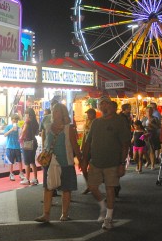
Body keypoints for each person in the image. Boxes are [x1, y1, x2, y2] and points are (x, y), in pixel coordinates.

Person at [86, 96, 131, 230]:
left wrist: (122, 164)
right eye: (101, 104)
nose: (103, 106)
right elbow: (88, 142)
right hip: (96, 161)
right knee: (92, 186)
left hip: (113, 162)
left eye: (105, 104)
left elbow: (125, 144)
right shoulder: (96, 122)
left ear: (111, 106)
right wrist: (84, 159)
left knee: (110, 188)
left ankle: (108, 217)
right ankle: (103, 205)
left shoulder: (119, 121)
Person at [34, 103, 81, 223]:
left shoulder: (68, 128)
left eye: (57, 111)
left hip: (66, 161)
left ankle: (64, 214)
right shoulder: (48, 126)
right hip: (50, 162)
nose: (54, 113)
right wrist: (44, 153)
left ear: (63, 113)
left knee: (66, 189)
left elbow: (75, 145)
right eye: (53, 111)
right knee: (48, 188)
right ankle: (46, 214)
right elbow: (45, 142)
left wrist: (81, 160)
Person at [20, 108, 40, 186]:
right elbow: (36, 133)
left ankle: (27, 179)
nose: (25, 115)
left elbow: (24, 131)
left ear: (28, 114)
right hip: (34, 142)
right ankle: (35, 179)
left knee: (27, 162)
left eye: (26, 114)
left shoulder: (27, 122)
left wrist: (21, 137)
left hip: (27, 143)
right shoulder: (35, 122)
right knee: (32, 162)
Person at [80, 107, 97, 193]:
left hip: (93, 147)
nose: (87, 115)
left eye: (89, 114)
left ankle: (92, 185)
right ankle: (89, 185)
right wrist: (82, 147)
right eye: (87, 114)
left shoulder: (97, 123)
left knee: (93, 168)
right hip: (87, 147)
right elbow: (84, 136)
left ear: (93, 114)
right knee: (83, 167)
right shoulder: (87, 123)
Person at [4, 114, 24, 181]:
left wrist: (20, 130)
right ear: (11, 120)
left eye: (16, 120)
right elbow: (5, 135)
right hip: (9, 146)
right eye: (13, 119)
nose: (15, 121)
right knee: (10, 162)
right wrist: (11, 130)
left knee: (20, 161)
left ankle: (21, 173)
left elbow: (21, 135)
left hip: (17, 146)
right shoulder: (8, 127)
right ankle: (11, 174)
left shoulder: (19, 127)